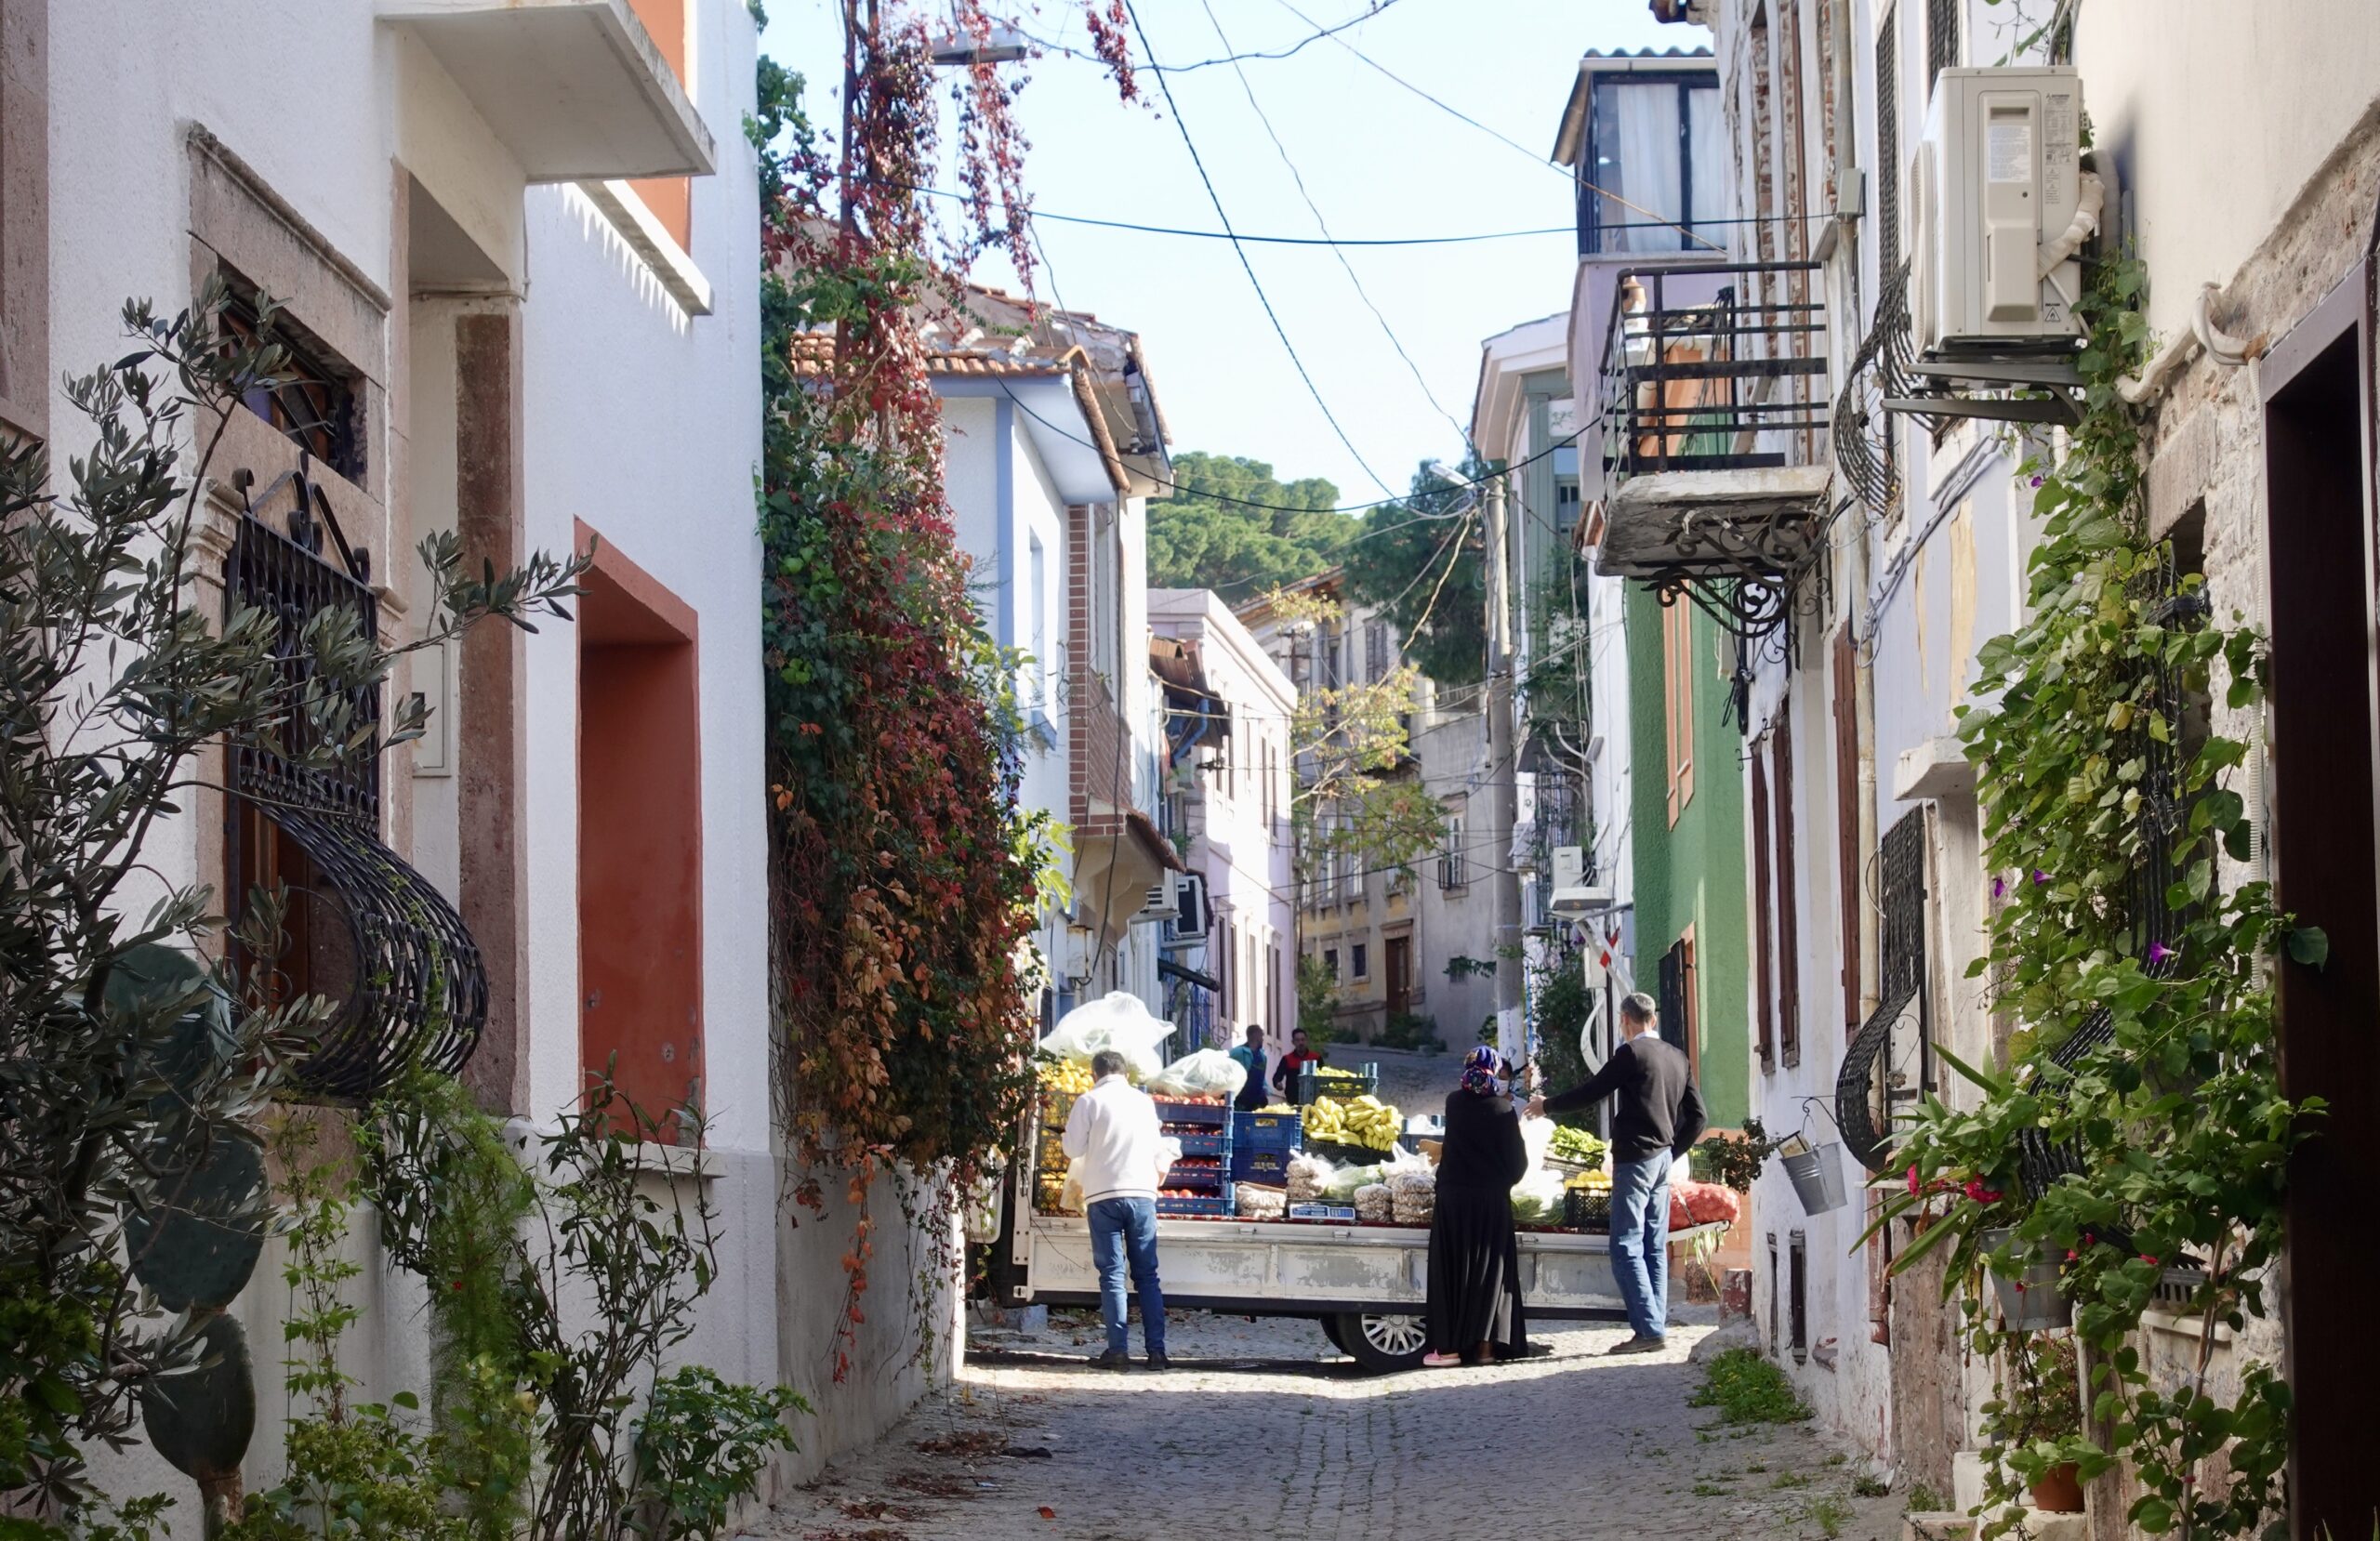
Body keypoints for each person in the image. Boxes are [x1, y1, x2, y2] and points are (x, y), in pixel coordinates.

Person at [1528, 991, 1707, 1354]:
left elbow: (1593, 1090)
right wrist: (1673, 1151)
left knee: (1624, 1243)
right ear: (1652, 1019)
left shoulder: (1631, 1054)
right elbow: (1699, 1116)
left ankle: (1648, 1330)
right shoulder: (1677, 1057)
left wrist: (1546, 1106)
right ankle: (1655, 1324)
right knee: (1653, 1246)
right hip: (1661, 1159)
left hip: (1636, 1157)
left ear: (1624, 1021)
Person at [1062, 1048, 1173, 1370]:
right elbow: (1158, 1150)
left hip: (1103, 1196)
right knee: (1147, 1277)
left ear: (1095, 1074)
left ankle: (1119, 1352)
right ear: (1125, 1074)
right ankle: (1156, 1352)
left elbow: (1072, 1148)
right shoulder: (1143, 1102)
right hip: (1142, 1195)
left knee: (1112, 1276)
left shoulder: (1088, 1101)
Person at [1421, 1046, 1529, 1367]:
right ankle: (1486, 1349)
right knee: (1491, 1274)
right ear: (1494, 1072)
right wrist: (1502, 1182)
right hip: (1491, 1201)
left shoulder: (1454, 1103)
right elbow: (1518, 1163)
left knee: (1453, 1271)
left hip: (1454, 1199)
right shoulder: (1503, 1110)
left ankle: (1450, 1350)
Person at [1272, 1026, 1324, 1100]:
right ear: (1293, 1042)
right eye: (1297, 1040)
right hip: (1292, 1100)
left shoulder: (1316, 1058)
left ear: (1307, 1040)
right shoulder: (1287, 1059)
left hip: (1313, 1101)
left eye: (1303, 1040)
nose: (1301, 1043)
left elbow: (1324, 1077)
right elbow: (1277, 1077)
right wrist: (1277, 1084)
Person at [1226, 1023, 1269, 1112]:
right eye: (1261, 1036)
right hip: (1241, 1102)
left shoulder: (1263, 1057)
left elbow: (1262, 1077)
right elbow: (1227, 1071)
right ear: (1256, 1036)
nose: (1263, 1040)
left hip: (1257, 1103)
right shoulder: (1238, 1052)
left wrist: (1266, 1088)